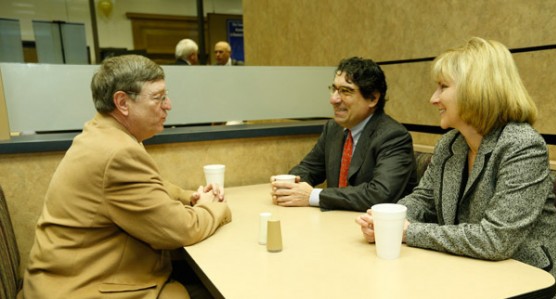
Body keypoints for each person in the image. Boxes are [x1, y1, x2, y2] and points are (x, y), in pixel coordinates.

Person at [355, 37, 556, 298]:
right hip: (470, 272)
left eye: (442, 87)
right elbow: (423, 198)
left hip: (529, 284)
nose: (433, 99)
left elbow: (496, 240)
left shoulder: (522, 146)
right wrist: (390, 220)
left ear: (476, 89)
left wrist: (407, 231)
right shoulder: (450, 144)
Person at [19, 55, 231, 299]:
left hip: (71, 277)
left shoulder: (104, 133)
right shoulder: (118, 152)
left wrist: (191, 197)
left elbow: (153, 186)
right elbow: (180, 230)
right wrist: (216, 208)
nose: (168, 104)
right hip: (80, 288)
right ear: (122, 102)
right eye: (158, 97)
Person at [271, 56, 418, 212]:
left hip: (375, 229)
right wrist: (290, 185)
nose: (333, 99)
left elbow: (380, 194)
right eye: (334, 89)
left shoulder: (393, 136)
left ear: (373, 98)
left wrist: (313, 196)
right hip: (336, 223)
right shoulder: (333, 128)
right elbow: (308, 168)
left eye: (345, 91)